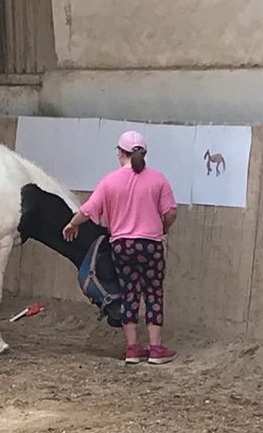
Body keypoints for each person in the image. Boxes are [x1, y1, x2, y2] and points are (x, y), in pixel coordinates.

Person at [62, 131, 178, 365]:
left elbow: (87, 210)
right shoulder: (158, 179)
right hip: (151, 244)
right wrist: (162, 227)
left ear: (119, 153)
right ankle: (156, 349)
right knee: (153, 293)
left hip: (122, 245)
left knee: (129, 294)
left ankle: (132, 349)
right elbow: (171, 211)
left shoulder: (109, 181)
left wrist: (72, 224)